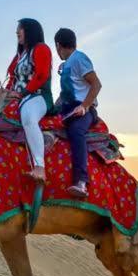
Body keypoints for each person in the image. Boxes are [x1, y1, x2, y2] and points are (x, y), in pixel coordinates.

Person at [0, 18, 54, 183]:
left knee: (28, 117)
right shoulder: (19, 56)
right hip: (19, 98)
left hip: (38, 96)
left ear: (30, 31)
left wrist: (22, 93)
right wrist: (5, 92)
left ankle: (40, 166)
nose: (17, 32)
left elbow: (41, 75)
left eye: (20, 29)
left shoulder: (41, 49)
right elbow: (13, 79)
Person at [53, 28, 102, 198]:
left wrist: (85, 106)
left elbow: (96, 84)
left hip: (83, 110)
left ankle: (81, 182)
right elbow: (66, 92)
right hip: (66, 109)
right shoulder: (66, 65)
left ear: (58, 45)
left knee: (76, 132)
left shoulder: (79, 59)